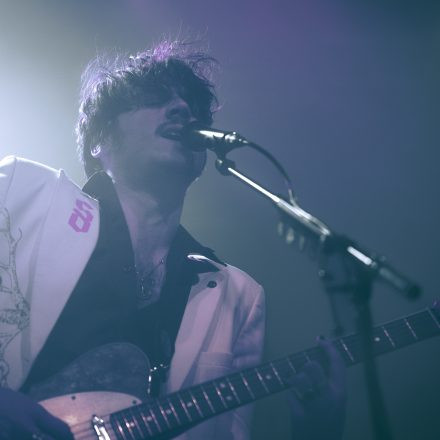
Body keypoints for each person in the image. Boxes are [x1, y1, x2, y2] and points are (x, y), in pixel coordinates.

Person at [0, 40, 345, 440]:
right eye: (153, 99)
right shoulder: (23, 190)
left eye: (193, 106)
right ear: (99, 139)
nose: (182, 109)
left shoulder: (238, 296)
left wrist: (317, 430)